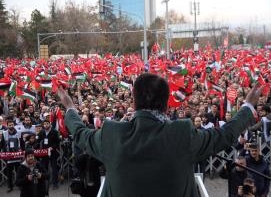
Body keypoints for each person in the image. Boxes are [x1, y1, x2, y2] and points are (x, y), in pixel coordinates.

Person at [58, 73, 263, 197]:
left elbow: (80, 133)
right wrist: (247, 106)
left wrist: (70, 108)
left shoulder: (112, 134)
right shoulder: (182, 133)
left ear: (134, 104)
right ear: (166, 105)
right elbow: (225, 135)